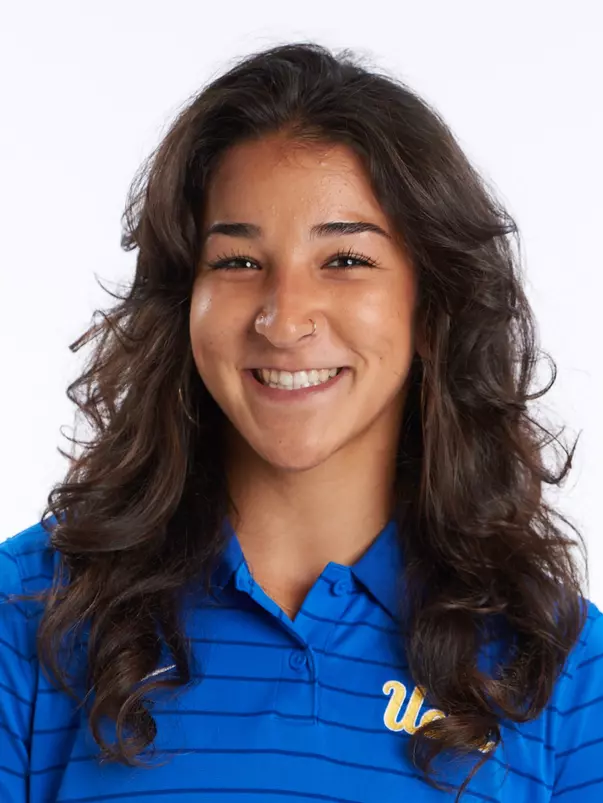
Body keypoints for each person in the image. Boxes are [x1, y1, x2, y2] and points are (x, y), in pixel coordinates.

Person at [1, 41, 601, 803]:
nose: (283, 320)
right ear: (182, 300)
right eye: (238, 262)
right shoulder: (26, 616)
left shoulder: (562, 664)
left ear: (431, 303)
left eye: (344, 259)